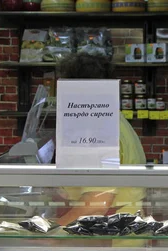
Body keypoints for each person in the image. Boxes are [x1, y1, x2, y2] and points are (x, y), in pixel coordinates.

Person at [55, 53, 147, 226]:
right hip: (122, 230)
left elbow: (96, 205)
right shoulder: (112, 119)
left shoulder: (95, 128)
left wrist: (52, 233)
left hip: (109, 237)